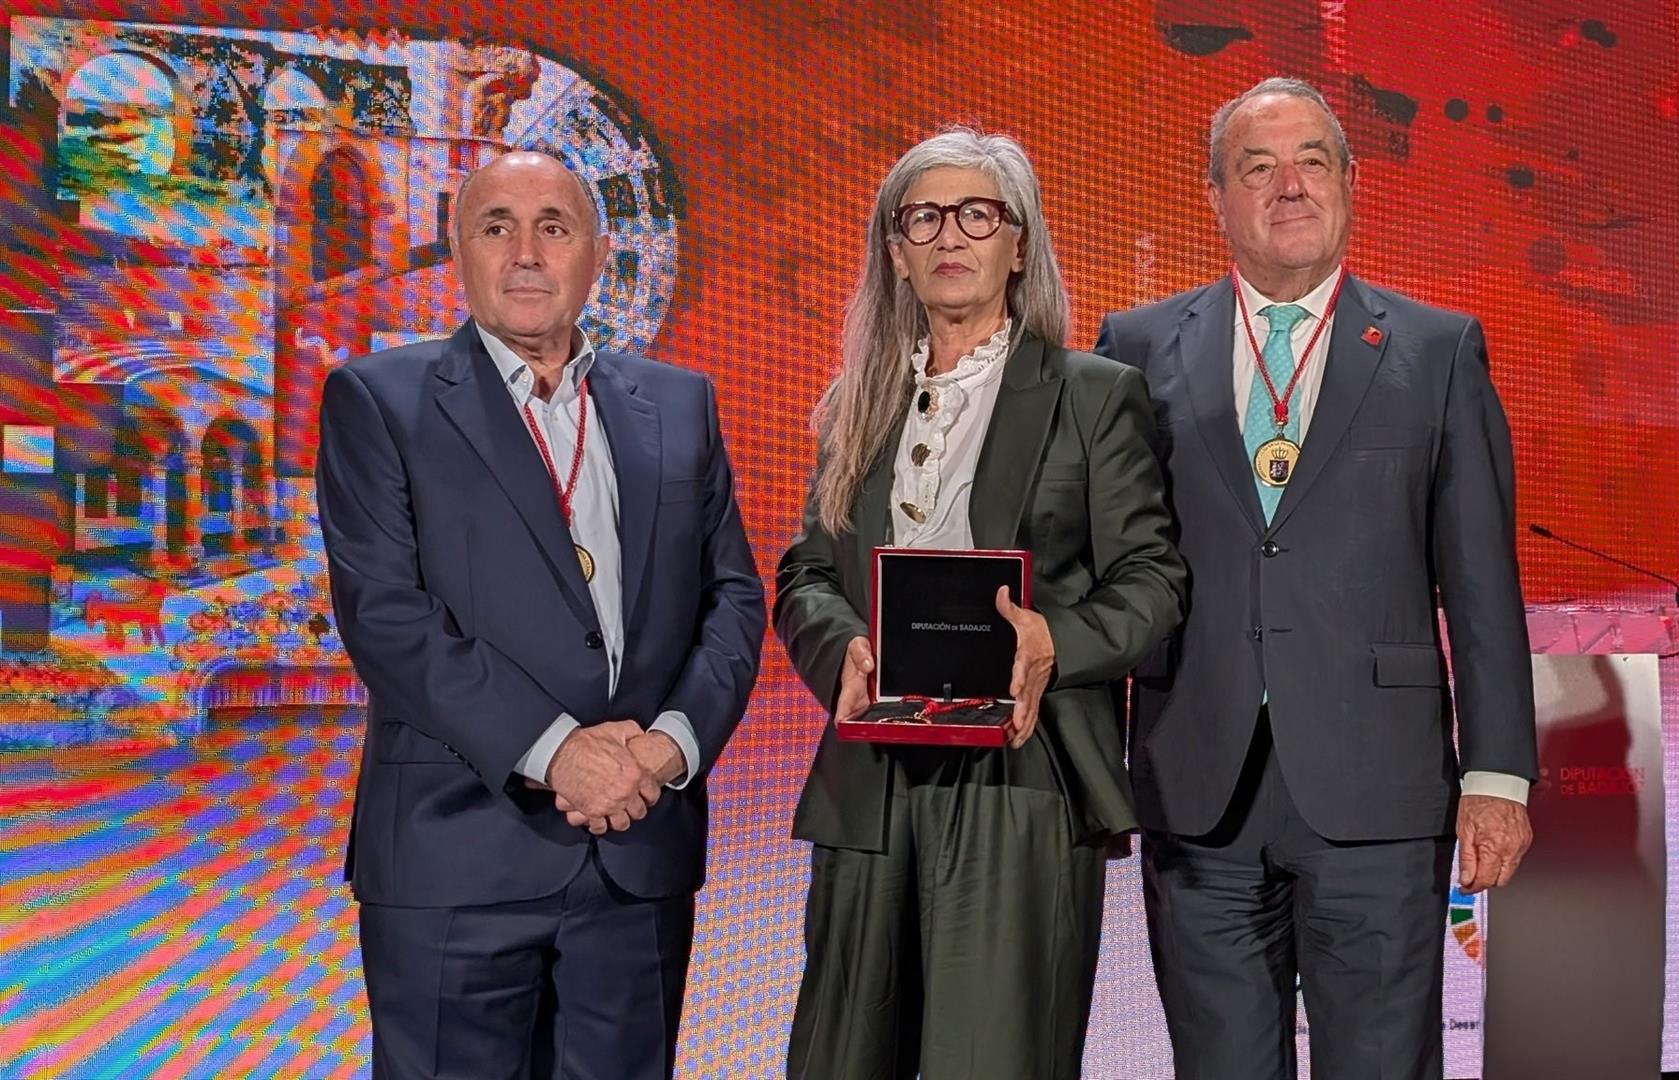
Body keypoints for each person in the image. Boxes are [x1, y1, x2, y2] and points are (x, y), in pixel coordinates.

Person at [1094, 78, 1538, 1079]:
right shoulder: (1132, 349)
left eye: (1311, 161)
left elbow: (1479, 583)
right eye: (1258, 166)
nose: (1288, 186)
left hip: (1381, 794)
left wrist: (1499, 773)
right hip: (1196, 790)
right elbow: (1107, 572)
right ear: (1216, 197)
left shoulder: (1436, 350)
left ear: (1350, 181)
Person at [315, 150, 765, 1079]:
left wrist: (668, 746)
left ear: (595, 255)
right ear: (459, 253)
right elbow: (387, 620)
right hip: (454, 862)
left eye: (553, 227)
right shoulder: (378, 399)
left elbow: (733, 601)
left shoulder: (680, 405)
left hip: (637, 853)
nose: (526, 252)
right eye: (497, 227)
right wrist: (560, 749)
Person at [776, 127, 1187, 1079]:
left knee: (993, 1059)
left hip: (1024, 766)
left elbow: (1153, 584)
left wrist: (1055, 641)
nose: (948, 235)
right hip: (871, 769)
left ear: (1019, 243)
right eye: (922, 217)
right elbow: (805, 573)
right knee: (841, 1058)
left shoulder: (1093, 395)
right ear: (895, 251)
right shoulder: (856, 404)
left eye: (976, 213)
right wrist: (840, 649)